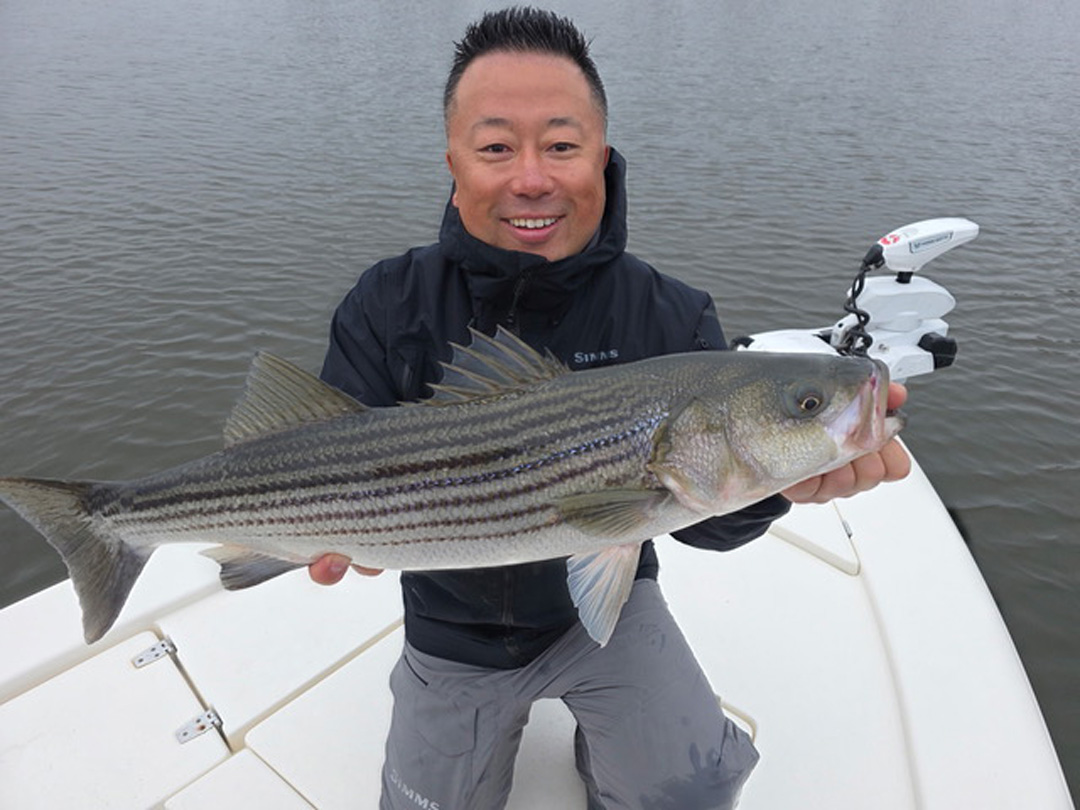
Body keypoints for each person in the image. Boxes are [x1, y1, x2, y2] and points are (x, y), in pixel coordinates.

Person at [309, 8, 910, 809]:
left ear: (602, 156)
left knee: (691, 792)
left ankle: (612, 752)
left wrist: (775, 489)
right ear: (454, 163)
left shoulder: (673, 316)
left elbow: (704, 516)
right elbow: (319, 450)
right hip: (449, 628)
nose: (531, 178)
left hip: (611, 609)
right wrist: (327, 526)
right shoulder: (388, 302)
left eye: (561, 145)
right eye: (496, 148)